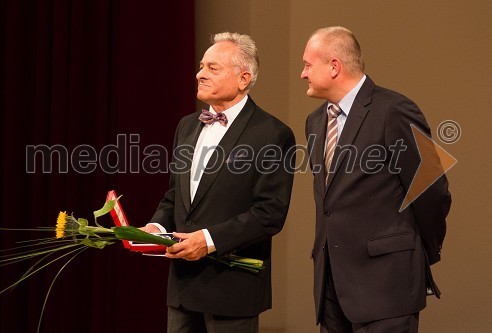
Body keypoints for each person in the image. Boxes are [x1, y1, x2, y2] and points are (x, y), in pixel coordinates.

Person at [140, 32, 295, 333]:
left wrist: (208, 241)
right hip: (182, 291)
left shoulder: (271, 134)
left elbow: (269, 214)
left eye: (213, 68)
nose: (199, 74)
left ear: (243, 78)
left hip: (231, 293)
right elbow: (175, 196)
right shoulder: (186, 126)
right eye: (201, 66)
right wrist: (156, 228)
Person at [301, 26, 451, 332]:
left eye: (307, 64)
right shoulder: (315, 121)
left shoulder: (394, 110)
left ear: (334, 66)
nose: (302, 74)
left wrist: (419, 250)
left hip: (386, 286)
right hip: (332, 288)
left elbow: (433, 191)